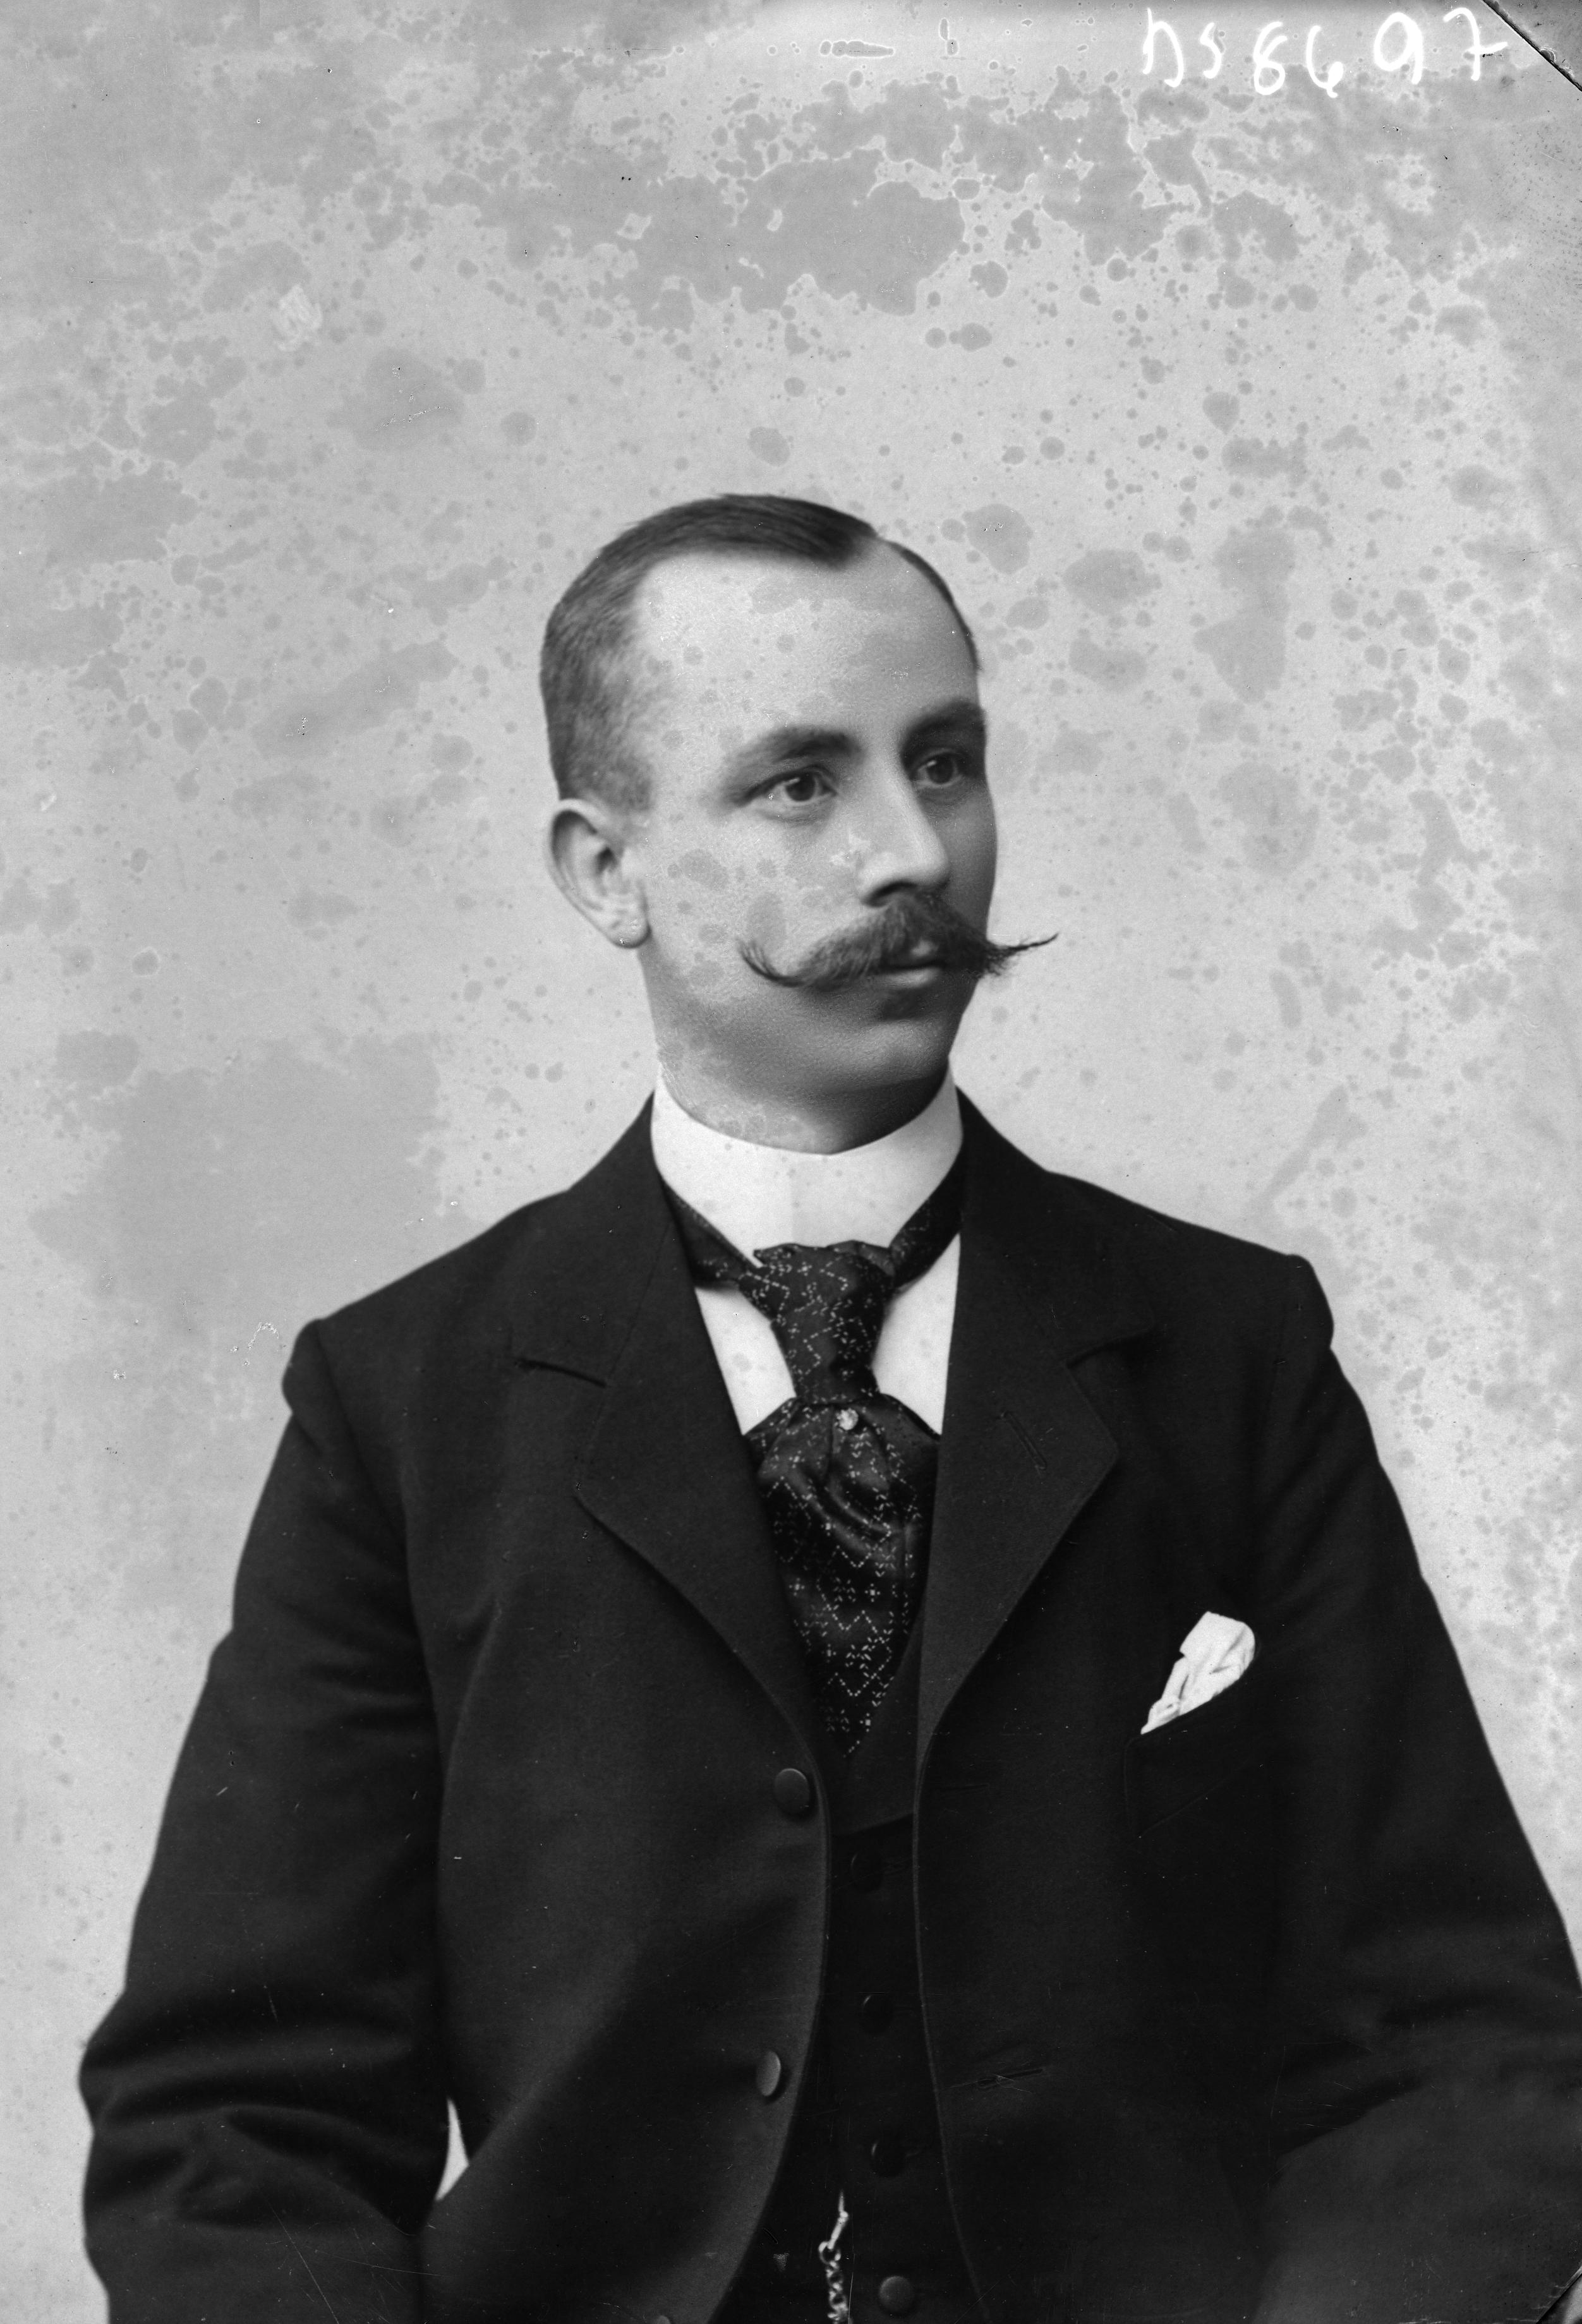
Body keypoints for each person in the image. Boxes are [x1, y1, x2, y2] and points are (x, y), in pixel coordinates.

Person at [81, 495, 1582, 2324]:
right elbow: (237, 2121)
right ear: (606, 871)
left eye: (944, 761)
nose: (916, 854)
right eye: (801, 783)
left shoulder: (1226, 1352)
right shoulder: (404, 1404)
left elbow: (1455, 2041)